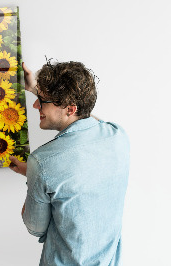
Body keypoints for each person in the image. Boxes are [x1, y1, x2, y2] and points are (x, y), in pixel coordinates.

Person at [9, 61, 130, 265]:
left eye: (42, 100)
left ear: (70, 108)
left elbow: (35, 227)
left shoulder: (41, 162)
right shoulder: (118, 136)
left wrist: (34, 175)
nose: (36, 105)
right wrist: (35, 89)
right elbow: (87, 121)